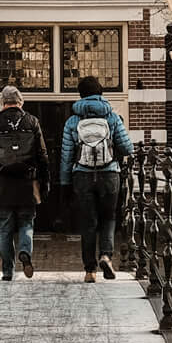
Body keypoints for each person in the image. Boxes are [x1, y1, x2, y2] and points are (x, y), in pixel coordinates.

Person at [60, 75, 132, 281]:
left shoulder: (73, 120)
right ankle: (106, 256)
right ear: (101, 93)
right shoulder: (112, 117)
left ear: (80, 95)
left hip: (82, 175)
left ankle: (90, 270)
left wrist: (64, 183)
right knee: (108, 218)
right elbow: (128, 148)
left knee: (88, 223)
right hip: (109, 173)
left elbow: (66, 156)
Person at [0, 85, 47, 281]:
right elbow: (42, 155)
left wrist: (2, 166)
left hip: (3, 185)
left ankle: (7, 272)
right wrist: (44, 182)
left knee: (5, 229)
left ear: (3, 102)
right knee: (26, 223)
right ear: (20, 102)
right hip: (27, 184)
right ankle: (25, 253)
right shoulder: (32, 121)